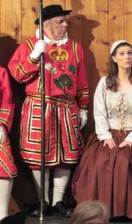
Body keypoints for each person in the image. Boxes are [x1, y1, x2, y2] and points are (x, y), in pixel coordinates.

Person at [8, 4, 89, 218]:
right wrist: (34, 56)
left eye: (65, 22)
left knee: (66, 155)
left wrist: (83, 107)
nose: (64, 25)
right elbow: (16, 74)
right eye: (59, 22)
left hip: (66, 107)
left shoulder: (74, 48)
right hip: (39, 106)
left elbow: (80, 79)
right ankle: (43, 201)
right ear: (45, 24)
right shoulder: (29, 46)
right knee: (39, 155)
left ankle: (58, 201)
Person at [72, 40, 132, 221]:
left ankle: (128, 210)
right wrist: (105, 135)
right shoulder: (105, 83)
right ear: (114, 58)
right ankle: (101, 212)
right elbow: (99, 111)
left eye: (129, 53)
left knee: (124, 160)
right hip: (108, 134)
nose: (127, 57)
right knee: (101, 161)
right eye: (122, 54)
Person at [0, 66, 17, 222]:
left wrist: (2, 125)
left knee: (5, 166)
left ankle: (2, 214)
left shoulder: (1, 72)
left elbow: (6, 101)